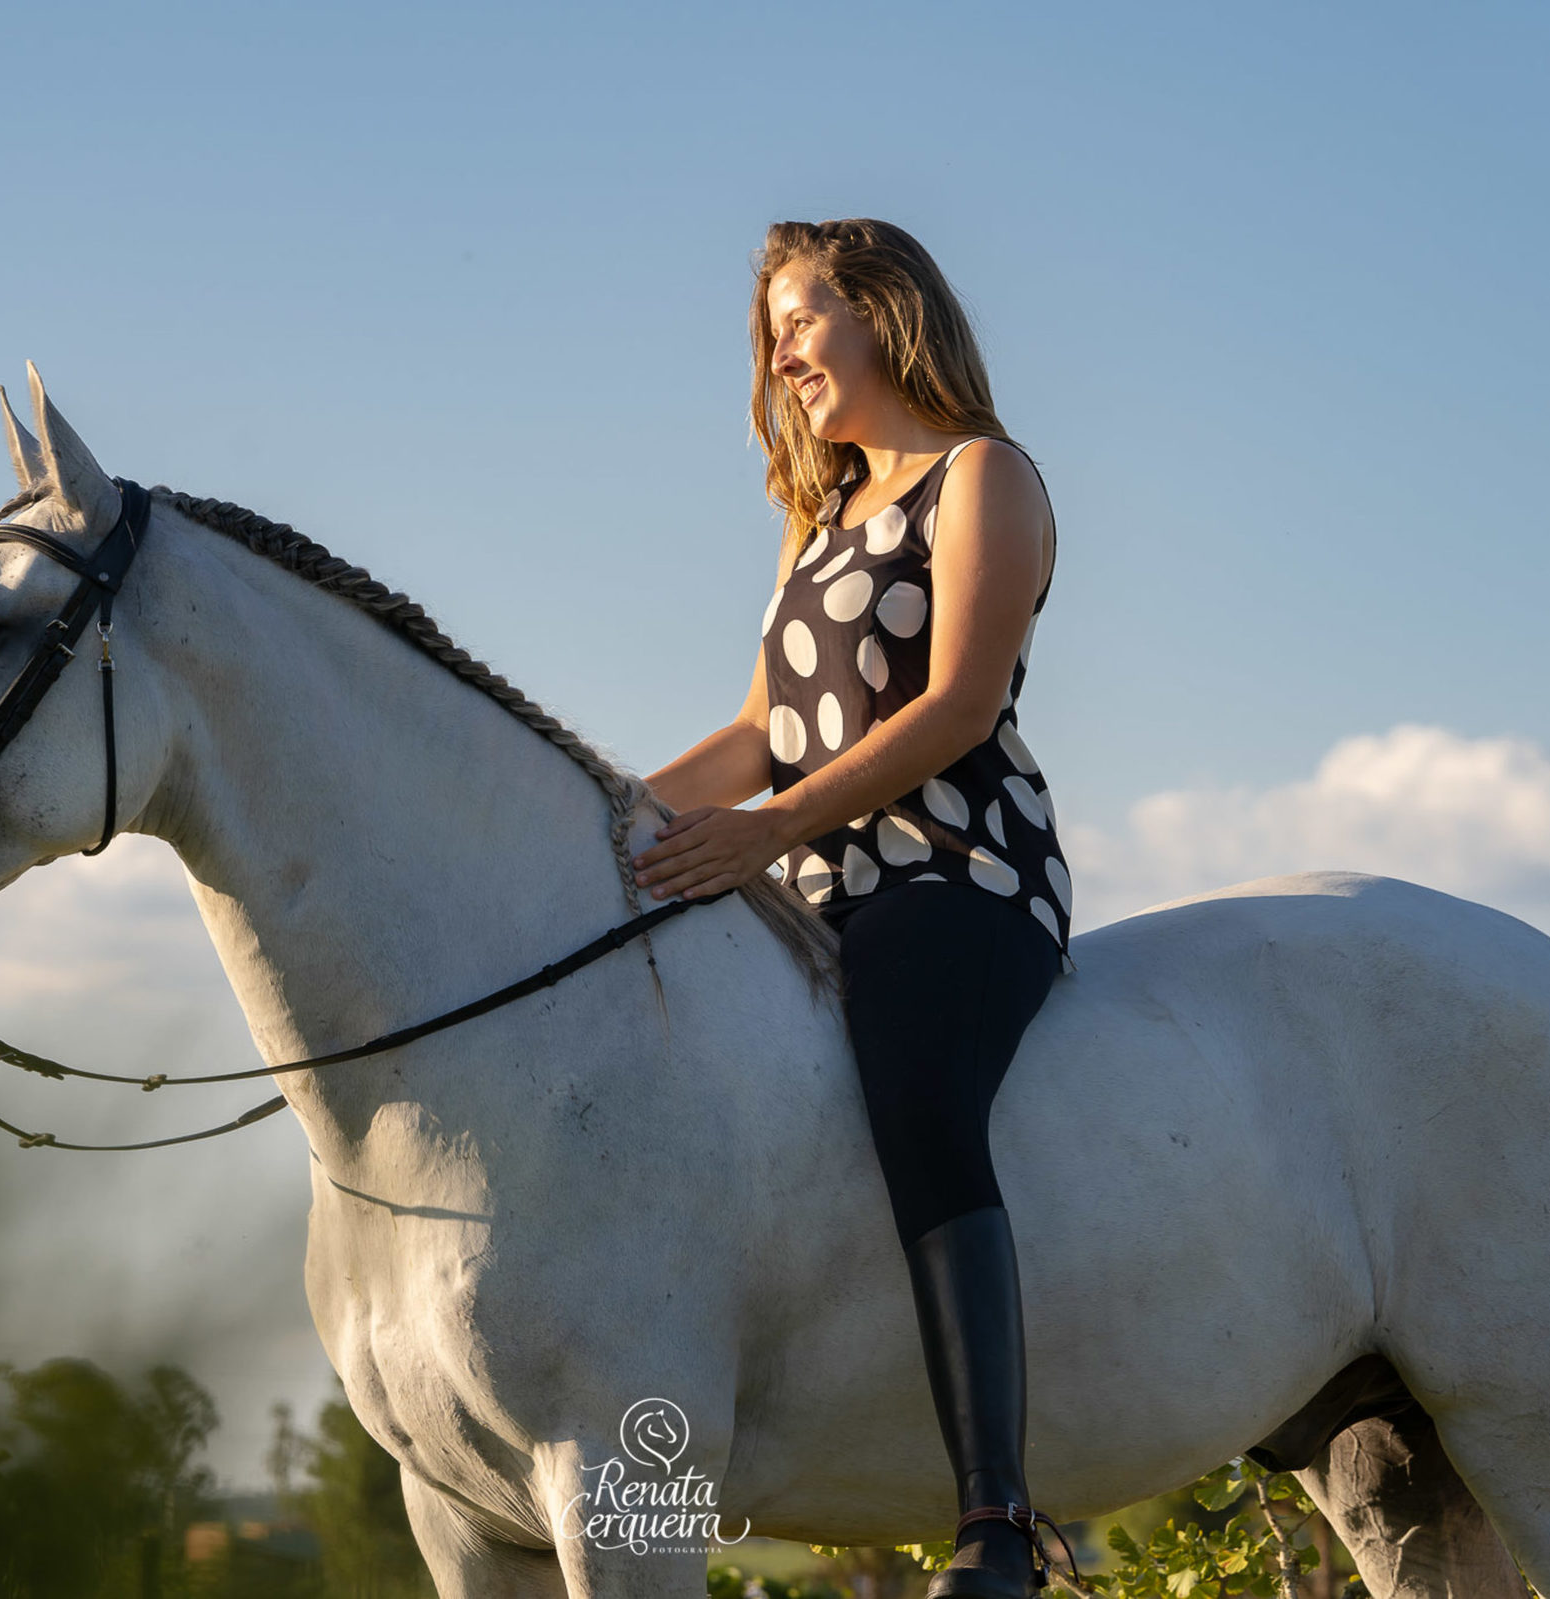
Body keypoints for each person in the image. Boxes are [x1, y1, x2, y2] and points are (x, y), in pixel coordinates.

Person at [635, 218, 1073, 1599]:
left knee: (918, 1088)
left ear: (883, 313)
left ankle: (998, 1522)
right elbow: (766, 730)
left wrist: (764, 834)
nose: (778, 351)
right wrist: (603, 820)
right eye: (772, 326)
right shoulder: (814, 520)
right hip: (822, 881)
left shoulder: (981, 479)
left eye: (801, 315)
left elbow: (955, 709)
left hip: (962, 873)